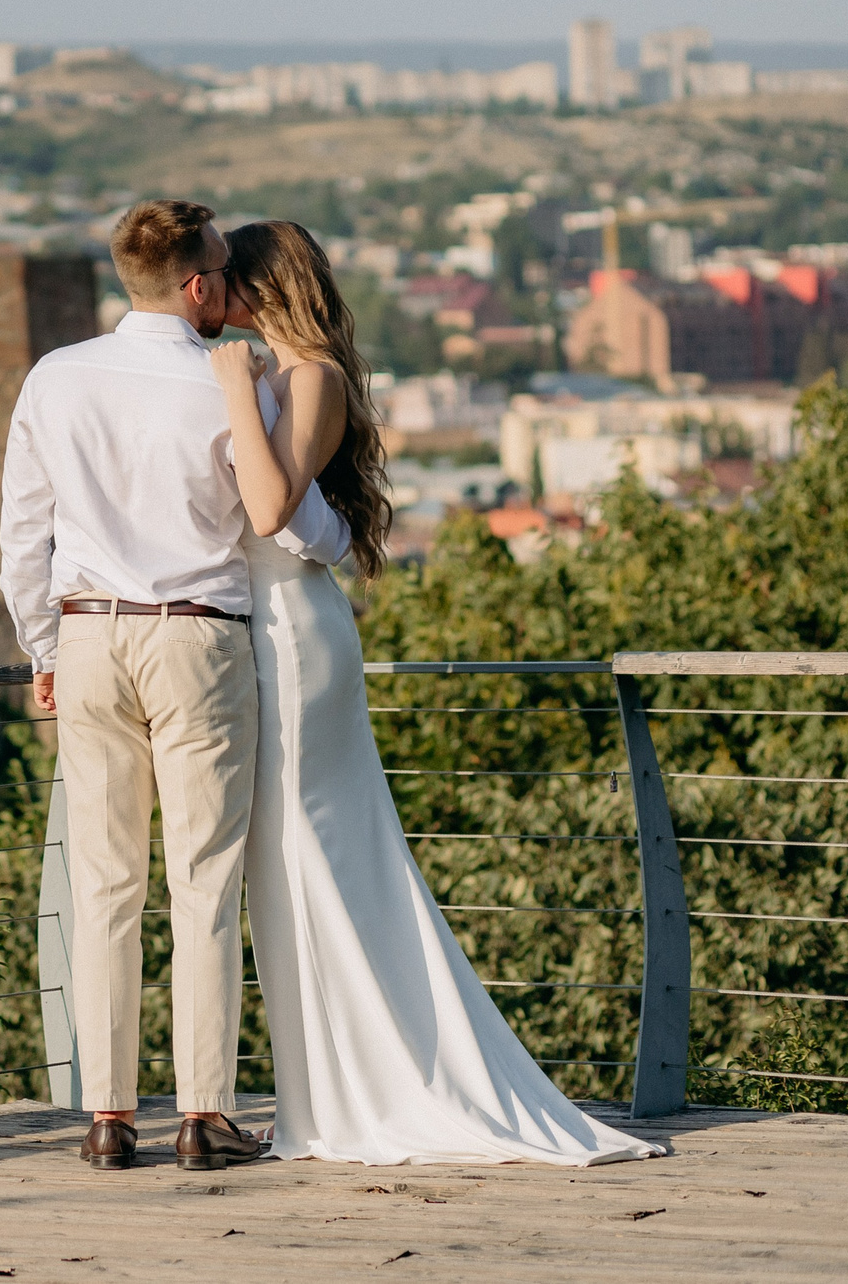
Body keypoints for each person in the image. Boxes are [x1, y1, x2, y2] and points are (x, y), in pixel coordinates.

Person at [210, 218, 660, 1167]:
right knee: (286, 870)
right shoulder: (277, 376)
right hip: (271, 630)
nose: (214, 295)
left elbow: (267, 509)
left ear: (261, 286)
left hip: (295, 639)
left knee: (312, 857)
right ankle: (323, 1098)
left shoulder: (309, 378)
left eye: (226, 279)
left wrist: (232, 395)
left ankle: (362, 1094)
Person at [0, 199, 349, 1171]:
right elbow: (283, 522)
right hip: (195, 637)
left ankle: (107, 1118)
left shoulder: (54, 379)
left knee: (103, 882)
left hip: (86, 640)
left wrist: (42, 652)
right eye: (224, 276)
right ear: (198, 285)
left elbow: (22, 536)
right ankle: (202, 1114)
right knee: (203, 882)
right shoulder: (225, 387)